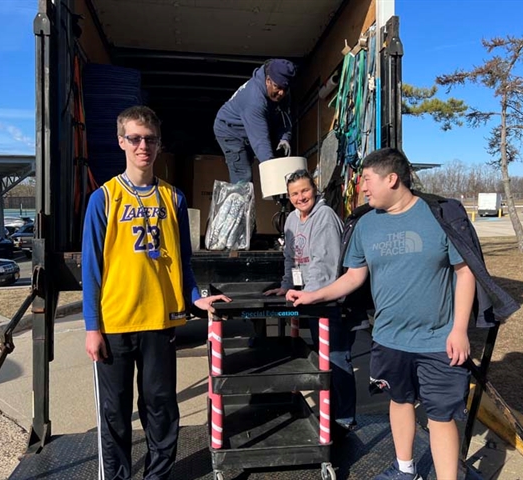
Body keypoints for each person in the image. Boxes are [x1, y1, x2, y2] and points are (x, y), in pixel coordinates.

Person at [287, 148, 518, 480]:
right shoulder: (366, 225)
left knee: (440, 416)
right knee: (399, 401)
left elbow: (465, 272)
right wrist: (312, 296)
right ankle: (405, 469)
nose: (363, 188)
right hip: (389, 338)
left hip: (439, 340)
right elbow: (353, 277)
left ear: (391, 179)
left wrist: (459, 330)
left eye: (367, 180)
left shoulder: (439, 216)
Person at [82, 105, 230, 480]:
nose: (142, 146)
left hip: (159, 320)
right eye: (134, 138)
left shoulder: (174, 199)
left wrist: (195, 298)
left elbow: (183, 260)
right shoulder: (104, 198)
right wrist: (91, 326)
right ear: (121, 142)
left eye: (149, 139)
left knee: (160, 407)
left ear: (159, 144)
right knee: (115, 412)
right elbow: (91, 269)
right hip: (114, 323)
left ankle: (157, 476)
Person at [264, 169, 358, 433]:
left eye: (304, 190)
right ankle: (331, 411)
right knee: (322, 358)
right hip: (309, 298)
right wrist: (286, 287)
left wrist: (309, 295)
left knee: (336, 358)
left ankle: (344, 418)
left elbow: (324, 265)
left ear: (314, 189)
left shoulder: (324, 217)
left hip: (328, 301)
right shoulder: (292, 219)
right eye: (294, 193)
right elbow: (291, 259)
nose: (300, 197)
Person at [213, 58, 296, 184]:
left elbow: (284, 118)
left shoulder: (282, 92)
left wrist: (285, 137)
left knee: (272, 157)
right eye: (277, 87)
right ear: (268, 80)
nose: (281, 93)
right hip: (230, 131)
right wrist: (274, 175)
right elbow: (260, 141)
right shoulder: (254, 100)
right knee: (243, 174)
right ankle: (239, 202)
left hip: (255, 126)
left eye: (285, 89)